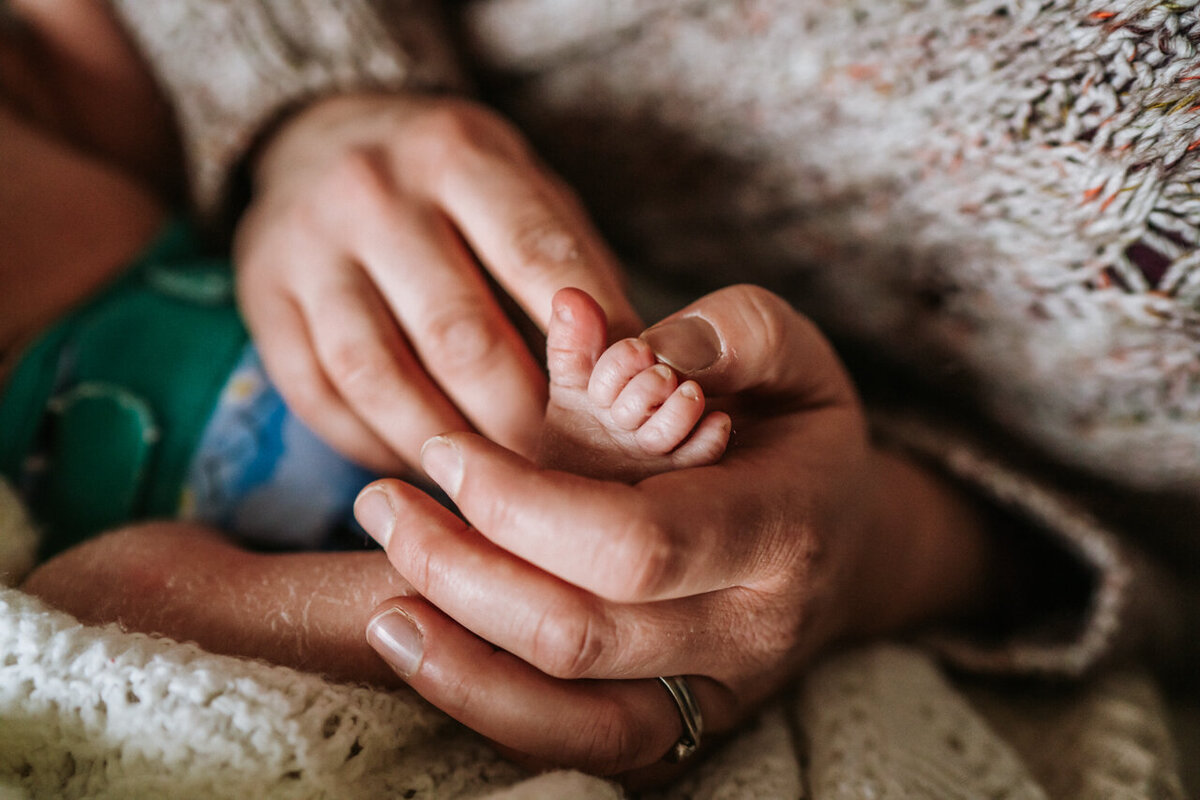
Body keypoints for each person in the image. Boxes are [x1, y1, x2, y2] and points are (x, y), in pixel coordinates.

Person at [9, 0, 1198, 791]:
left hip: (415, 370)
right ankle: (505, 566)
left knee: (501, 400)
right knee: (138, 594)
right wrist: (312, 99)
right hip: (136, 487)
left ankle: (557, 488)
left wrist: (893, 541)